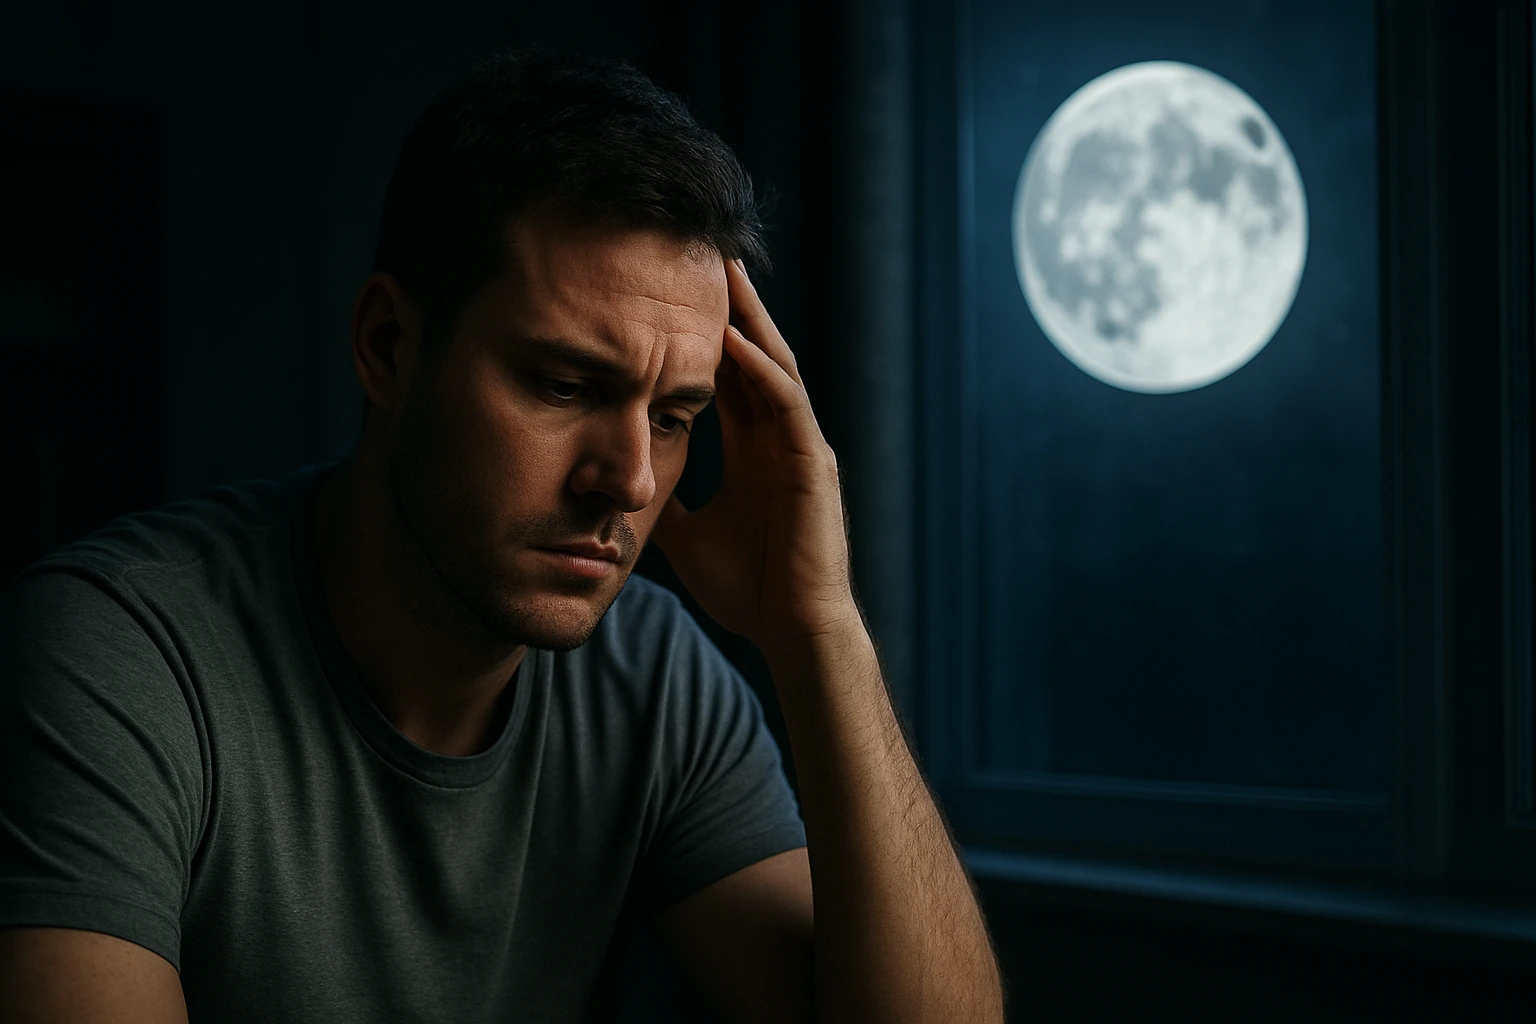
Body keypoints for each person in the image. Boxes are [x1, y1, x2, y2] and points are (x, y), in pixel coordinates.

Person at [0, 49, 1004, 1024]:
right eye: (566, 386)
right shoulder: (114, 656)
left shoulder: (651, 676)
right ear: (389, 347)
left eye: (675, 413)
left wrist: (818, 627)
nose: (632, 480)